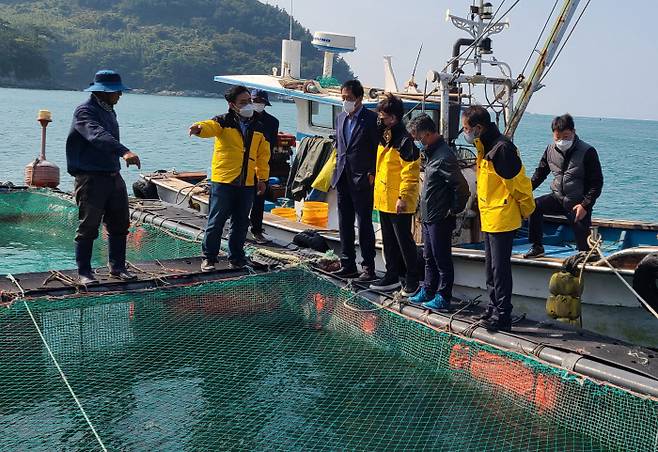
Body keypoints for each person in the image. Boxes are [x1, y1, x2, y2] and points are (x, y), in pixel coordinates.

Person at [462, 106, 535, 331]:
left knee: (500, 270)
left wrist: (527, 210)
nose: (465, 132)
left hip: (502, 217)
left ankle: (503, 315)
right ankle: (493, 307)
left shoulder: (501, 149)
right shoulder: (484, 147)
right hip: (490, 216)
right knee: (490, 269)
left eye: (466, 128)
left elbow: (519, 185)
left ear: (479, 128)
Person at [66, 69, 141, 285]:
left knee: (120, 222)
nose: (120, 95)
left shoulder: (109, 110)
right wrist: (124, 151)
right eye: (116, 91)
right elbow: (97, 135)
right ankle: (84, 272)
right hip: (90, 178)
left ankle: (117, 267)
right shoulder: (85, 111)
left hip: (112, 175)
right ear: (103, 92)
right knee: (89, 225)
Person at [189, 85, 270, 271]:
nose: (248, 105)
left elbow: (262, 155)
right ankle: (209, 257)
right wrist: (199, 128)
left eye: (249, 101)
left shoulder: (258, 126)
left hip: (247, 182)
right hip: (224, 181)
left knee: (241, 223)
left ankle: (237, 258)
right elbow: (210, 127)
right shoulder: (223, 121)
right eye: (243, 102)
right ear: (232, 104)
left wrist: (262, 178)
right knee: (216, 221)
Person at [407, 114, 471, 310]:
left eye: (418, 138)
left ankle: (443, 295)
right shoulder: (432, 154)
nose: (417, 142)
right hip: (428, 215)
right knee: (428, 256)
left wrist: (452, 210)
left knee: (441, 257)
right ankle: (428, 289)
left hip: (440, 217)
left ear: (427, 134)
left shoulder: (444, 157)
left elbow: (462, 188)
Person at [524, 114, 603, 258]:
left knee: (585, 251)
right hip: (558, 198)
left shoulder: (588, 151)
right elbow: (539, 174)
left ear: (573, 131)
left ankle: (586, 254)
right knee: (534, 206)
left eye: (566, 137)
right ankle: (537, 247)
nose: (562, 141)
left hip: (578, 203)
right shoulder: (550, 150)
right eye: (558, 138)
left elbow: (596, 183)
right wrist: (524, 193)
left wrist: (585, 205)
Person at [369, 94, 421, 295]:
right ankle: (392, 275)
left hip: (398, 201)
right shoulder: (385, 136)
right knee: (388, 241)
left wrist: (404, 197)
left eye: (383, 116)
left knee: (404, 241)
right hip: (383, 198)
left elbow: (410, 173)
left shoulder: (404, 141)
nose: (380, 119)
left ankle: (412, 278)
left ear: (393, 117)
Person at [330, 79, 379, 281]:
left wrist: (371, 173)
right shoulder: (340, 118)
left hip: (362, 178)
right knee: (345, 223)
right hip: (342, 176)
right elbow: (341, 147)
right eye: (343, 98)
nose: (345, 101)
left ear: (359, 98)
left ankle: (368, 267)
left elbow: (376, 149)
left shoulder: (371, 119)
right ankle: (347, 263)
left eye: (349, 98)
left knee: (365, 223)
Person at [249, 89, 279, 244]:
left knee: (259, 198)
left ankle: (257, 230)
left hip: (262, 164)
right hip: (242, 165)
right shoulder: (243, 118)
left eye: (261, 102)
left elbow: (270, 144)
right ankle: (236, 228)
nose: (258, 104)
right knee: (238, 198)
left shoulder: (273, 122)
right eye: (255, 101)